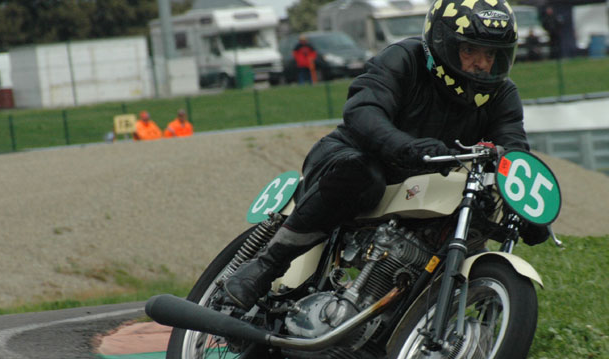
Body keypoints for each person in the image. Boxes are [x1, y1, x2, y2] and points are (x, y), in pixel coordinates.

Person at [223, 0, 547, 310]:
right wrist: (406, 147)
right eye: (469, 49)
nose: (481, 62)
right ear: (444, 42)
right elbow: (364, 110)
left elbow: (514, 147)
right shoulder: (405, 58)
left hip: (427, 181)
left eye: (490, 53)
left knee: (475, 211)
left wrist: (527, 208)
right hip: (353, 156)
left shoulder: (503, 95)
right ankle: (265, 267)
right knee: (363, 177)